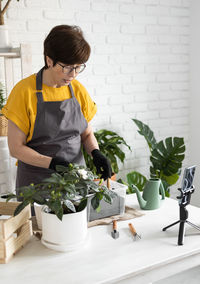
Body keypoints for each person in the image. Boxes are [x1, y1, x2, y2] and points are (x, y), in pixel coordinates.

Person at [2, 25, 112, 192]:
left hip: (75, 183)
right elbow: (16, 148)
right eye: (67, 67)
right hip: (37, 186)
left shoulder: (78, 90)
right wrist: (52, 163)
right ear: (49, 60)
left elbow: (87, 133)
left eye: (78, 67)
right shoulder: (23, 92)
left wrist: (96, 153)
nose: (73, 74)